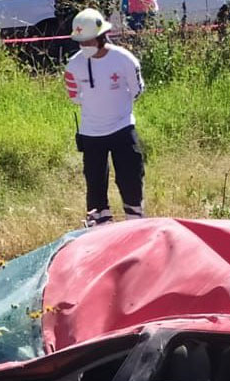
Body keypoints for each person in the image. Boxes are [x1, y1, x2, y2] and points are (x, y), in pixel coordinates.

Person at [64, 8, 146, 227]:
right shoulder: (73, 66)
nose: (84, 46)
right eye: (80, 42)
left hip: (122, 128)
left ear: (101, 37)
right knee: (95, 183)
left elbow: (137, 89)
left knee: (130, 177)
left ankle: (135, 222)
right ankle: (100, 226)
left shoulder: (125, 59)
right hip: (91, 133)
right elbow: (74, 97)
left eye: (88, 41)